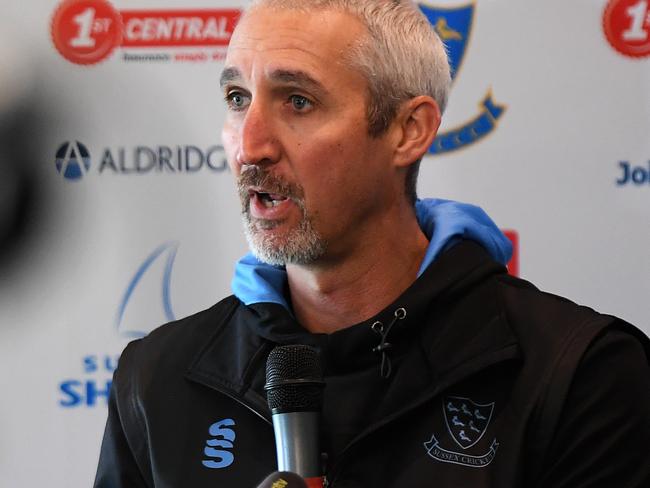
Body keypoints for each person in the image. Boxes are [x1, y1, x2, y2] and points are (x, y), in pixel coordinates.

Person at [94, 1, 650, 487]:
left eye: (298, 102)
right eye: (238, 97)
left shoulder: (578, 373)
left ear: (409, 131)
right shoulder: (156, 378)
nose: (250, 145)